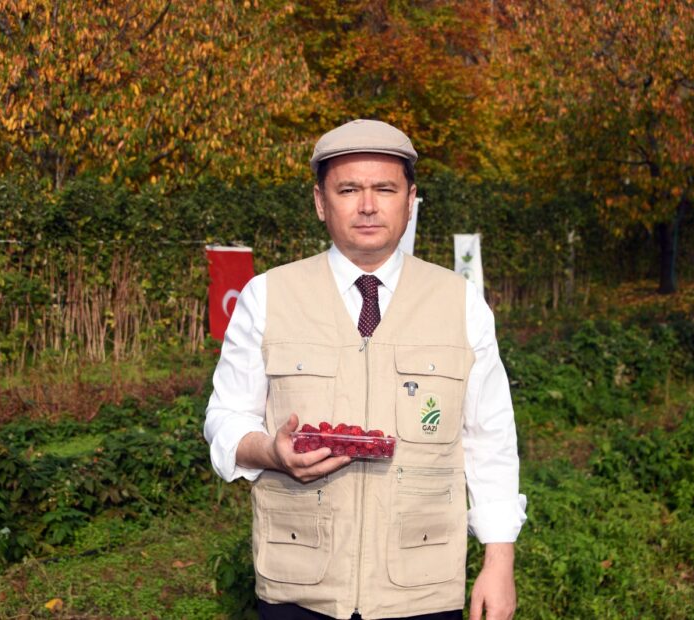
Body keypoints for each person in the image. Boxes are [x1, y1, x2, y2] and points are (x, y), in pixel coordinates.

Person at [204, 119, 526, 620]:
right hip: (300, 583)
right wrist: (270, 452)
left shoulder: (461, 303)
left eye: (386, 189)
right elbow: (225, 418)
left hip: (420, 586)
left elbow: (491, 440)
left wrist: (499, 562)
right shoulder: (267, 296)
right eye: (349, 189)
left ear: (410, 200)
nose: (368, 206)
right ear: (320, 202)